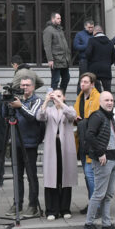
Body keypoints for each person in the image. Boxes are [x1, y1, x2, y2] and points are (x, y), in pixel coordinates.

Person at [82, 91, 115, 229]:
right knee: (99, 193)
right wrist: (100, 153)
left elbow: (107, 136)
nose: (110, 102)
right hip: (103, 160)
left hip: (112, 158)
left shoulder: (110, 117)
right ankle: (88, 224)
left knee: (109, 194)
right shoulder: (97, 116)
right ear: (100, 101)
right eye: (106, 100)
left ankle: (106, 224)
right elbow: (89, 135)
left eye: (112, 100)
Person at [6, 76, 44, 218]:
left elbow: (32, 116)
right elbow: (7, 117)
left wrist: (20, 106)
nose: (24, 87)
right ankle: (17, 203)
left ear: (33, 87)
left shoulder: (37, 100)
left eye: (27, 85)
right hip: (16, 142)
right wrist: (8, 105)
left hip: (30, 144)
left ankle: (33, 205)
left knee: (31, 176)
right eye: (22, 85)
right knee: (17, 176)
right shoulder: (17, 100)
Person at [40, 88, 77, 220]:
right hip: (52, 146)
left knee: (65, 177)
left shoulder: (68, 108)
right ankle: (51, 210)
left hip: (65, 147)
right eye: (54, 96)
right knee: (52, 178)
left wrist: (60, 103)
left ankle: (65, 208)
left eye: (59, 96)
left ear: (64, 97)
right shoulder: (48, 110)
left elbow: (73, 115)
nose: (56, 98)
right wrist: (46, 101)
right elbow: (40, 116)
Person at [75, 73, 101, 208]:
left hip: (93, 141)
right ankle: (93, 202)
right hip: (82, 140)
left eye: (85, 82)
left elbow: (97, 118)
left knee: (91, 175)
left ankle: (95, 204)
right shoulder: (80, 97)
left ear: (92, 84)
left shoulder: (97, 97)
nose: (82, 84)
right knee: (87, 175)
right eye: (81, 82)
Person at [43, 12, 72, 93]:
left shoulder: (59, 29)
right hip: (56, 60)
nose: (60, 20)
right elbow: (47, 46)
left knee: (66, 78)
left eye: (60, 18)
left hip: (64, 59)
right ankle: (55, 99)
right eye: (58, 18)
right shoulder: (48, 30)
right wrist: (50, 59)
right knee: (55, 80)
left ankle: (60, 96)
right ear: (53, 19)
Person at [83, 25, 115, 93]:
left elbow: (87, 54)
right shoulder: (110, 42)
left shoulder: (92, 40)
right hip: (106, 69)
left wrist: (91, 63)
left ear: (94, 32)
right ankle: (107, 102)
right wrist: (107, 63)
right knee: (107, 90)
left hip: (94, 69)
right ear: (102, 31)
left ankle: (98, 103)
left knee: (96, 91)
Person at [73, 20, 95, 89]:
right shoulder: (79, 34)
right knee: (83, 78)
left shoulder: (95, 34)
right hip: (84, 60)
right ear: (85, 27)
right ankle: (80, 96)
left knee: (94, 79)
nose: (91, 29)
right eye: (89, 27)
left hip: (94, 60)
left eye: (92, 27)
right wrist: (88, 46)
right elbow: (76, 46)